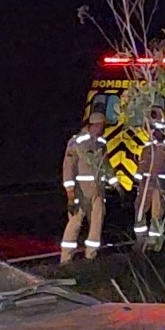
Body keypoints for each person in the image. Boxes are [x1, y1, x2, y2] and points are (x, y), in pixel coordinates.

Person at [60, 111, 116, 263]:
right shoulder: (77, 142)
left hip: (98, 190)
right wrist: (70, 192)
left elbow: (106, 165)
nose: (103, 130)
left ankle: (91, 256)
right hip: (81, 191)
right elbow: (69, 167)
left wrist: (115, 183)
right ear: (94, 125)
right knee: (75, 223)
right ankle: (66, 259)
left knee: (97, 223)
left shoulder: (101, 143)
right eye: (102, 126)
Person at [132, 110, 165, 248]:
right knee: (140, 209)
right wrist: (137, 180)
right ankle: (140, 240)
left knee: (157, 211)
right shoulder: (148, 147)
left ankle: (154, 242)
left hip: (160, 184)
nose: (157, 133)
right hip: (146, 184)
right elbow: (143, 164)